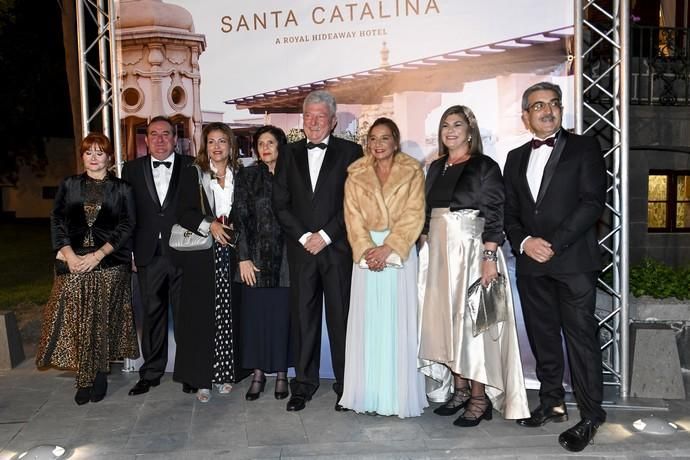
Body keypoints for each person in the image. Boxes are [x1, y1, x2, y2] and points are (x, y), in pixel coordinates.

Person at [504, 82, 607, 452]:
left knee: (581, 339)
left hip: (574, 262)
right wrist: (524, 242)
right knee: (543, 336)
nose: (547, 111)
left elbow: (593, 202)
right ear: (525, 116)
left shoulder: (584, 147)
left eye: (553, 104)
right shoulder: (514, 157)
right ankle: (552, 403)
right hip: (532, 263)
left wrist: (554, 243)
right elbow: (510, 212)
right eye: (538, 106)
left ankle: (592, 415)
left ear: (561, 110)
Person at [418, 105, 529, 427]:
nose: (450, 131)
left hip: (471, 253)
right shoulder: (436, 166)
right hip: (438, 255)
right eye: (445, 126)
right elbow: (427, 213)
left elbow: (495, 214)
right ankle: (461, 388)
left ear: (470, 130)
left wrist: (489, 257)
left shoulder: (485, 166)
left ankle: (480, 398)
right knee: (445, 323)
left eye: (457, 124)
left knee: (473, 325)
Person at [272, 90, 363, 412]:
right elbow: (280, 204)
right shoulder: (288, 152)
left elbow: (355, 203)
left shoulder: (352, 152)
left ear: (333, 120)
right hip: (301, 253)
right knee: (303, 321)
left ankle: (346, 386)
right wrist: (303, 237)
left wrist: (325, 235)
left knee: (341, 322)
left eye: (320, 116)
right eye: (308, 116)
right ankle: (304, 384)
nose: (313, 122)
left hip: (336, 250)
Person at [36, 133, 139, 405]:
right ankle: (84, 377)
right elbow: (57, 220)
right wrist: (69, 255)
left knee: (101, 319)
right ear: (82, 156)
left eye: (99, 152)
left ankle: (100, 375)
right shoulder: (69, 185)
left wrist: (99, 254)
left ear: (109, 156)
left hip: (109, 262)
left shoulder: (123, 188)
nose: (94, 158)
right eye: (88, 152)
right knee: (78, 320)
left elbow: (127, 226)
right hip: (73, 261)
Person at [340, 117, 427, 418]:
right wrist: (367, 251)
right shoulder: (355, 173)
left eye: (384, 138)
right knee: (370, 323)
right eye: (373, 139)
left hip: (399, 253)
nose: (378, 144)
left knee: (395, 322)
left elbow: (415, 214)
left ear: (395, 141)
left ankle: (396, 396)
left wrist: (390, 247)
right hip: (365, 256)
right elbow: (351, 217)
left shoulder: (413, 170)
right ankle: (368, 395)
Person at [172, 122, 248, 403]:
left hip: (233, 253)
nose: (217, 147)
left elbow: (248, 212)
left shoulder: (241, 174)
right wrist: (209, 225)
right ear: (205, 146)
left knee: (229, 315)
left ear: (231, 146)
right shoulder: (194, 173)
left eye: (222, 141)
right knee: (200, 317)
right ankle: (201, 379)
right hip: (202, 255)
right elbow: (182, 211)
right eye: (212, 142)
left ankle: (225, 374)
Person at [122, 116, 193, 396]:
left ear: (175, 139)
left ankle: (189, 371)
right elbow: (127, 215)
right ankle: (151, 372)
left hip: (184, 253)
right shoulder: (131, 170)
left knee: (186, 315)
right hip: (147, 253)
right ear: (146, 139)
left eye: (166, 134)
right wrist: (128, 252)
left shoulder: (191, 167)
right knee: (152, 314)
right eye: (154, 134)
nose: (160, 139)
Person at [234, 125, 292, 401]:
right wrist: (242, 257)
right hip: (254, 258)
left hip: (287, 261)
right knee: (255, 319)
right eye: (260, 143)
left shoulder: (293, 176)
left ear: (281, 145)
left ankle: (282, 374)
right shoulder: (247, 175)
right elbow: (240, 218)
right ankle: (257, 374)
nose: (265, 147)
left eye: (271, 142)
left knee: (282, 318)